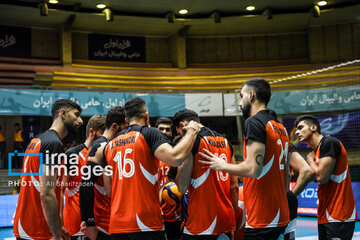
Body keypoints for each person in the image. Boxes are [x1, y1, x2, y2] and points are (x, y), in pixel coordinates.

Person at [199, 78, 290, 240]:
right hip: (280, 214)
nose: (240, 103)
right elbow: (287, 175)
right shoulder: (280, 127)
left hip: (262, 218)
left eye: (242, 96)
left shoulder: (254, 122)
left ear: (251, 96)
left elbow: (252, 169)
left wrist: (221, 165)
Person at [102, 97, 201, 239]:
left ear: (126, 120)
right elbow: (175, 158)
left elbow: (109, 190)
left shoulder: (110, 145)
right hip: (145, 223)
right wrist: (192, 131)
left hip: (117, 224)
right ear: (146, 116)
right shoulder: (149, 133)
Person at [13, 99, 83, 240]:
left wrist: (59, 224)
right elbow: (47, 193)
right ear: (63, 113)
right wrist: (56, 235)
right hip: (38, 230)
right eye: (76, 115)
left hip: (26, 225)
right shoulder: (53, 144)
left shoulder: (37, 140)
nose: (80, 120)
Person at [174, 109, 238, 240]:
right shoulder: (226, 142)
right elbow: (234, 186)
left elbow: (182, 187)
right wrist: (233, 222)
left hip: (200, 225)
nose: (181, 137)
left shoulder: (192, 142)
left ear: (182, 125)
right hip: (225, 222)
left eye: (179, 133)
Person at [295, 115, 357, 240]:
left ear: (313, 127)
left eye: (301, 128)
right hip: (326, 215)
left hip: (339, 216)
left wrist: (310, 160)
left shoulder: (329, 143)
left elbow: (321, 178)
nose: (297, 132)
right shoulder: (318, 151)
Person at [79, 106, 127, 240]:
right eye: (126, 127)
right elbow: (85, 184)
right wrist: (89, 222)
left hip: (113, 220)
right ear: (115, 126)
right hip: (103, 223)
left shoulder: (111, 145)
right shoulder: (100, 146)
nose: (128, 132)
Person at [62, 114, 106, 240]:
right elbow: (58, 191)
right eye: (102, 133)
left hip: (100, 225)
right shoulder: (72, 155)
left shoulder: (105, 154)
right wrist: (58, 223)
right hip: (75, 226)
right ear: (92, 132)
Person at [156, 117, 183, 240]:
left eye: (167, 129)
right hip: (155, 213)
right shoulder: (148, 155)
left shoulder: (176, 155)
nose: (164, 132)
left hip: (175, 214)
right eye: (161, 129)